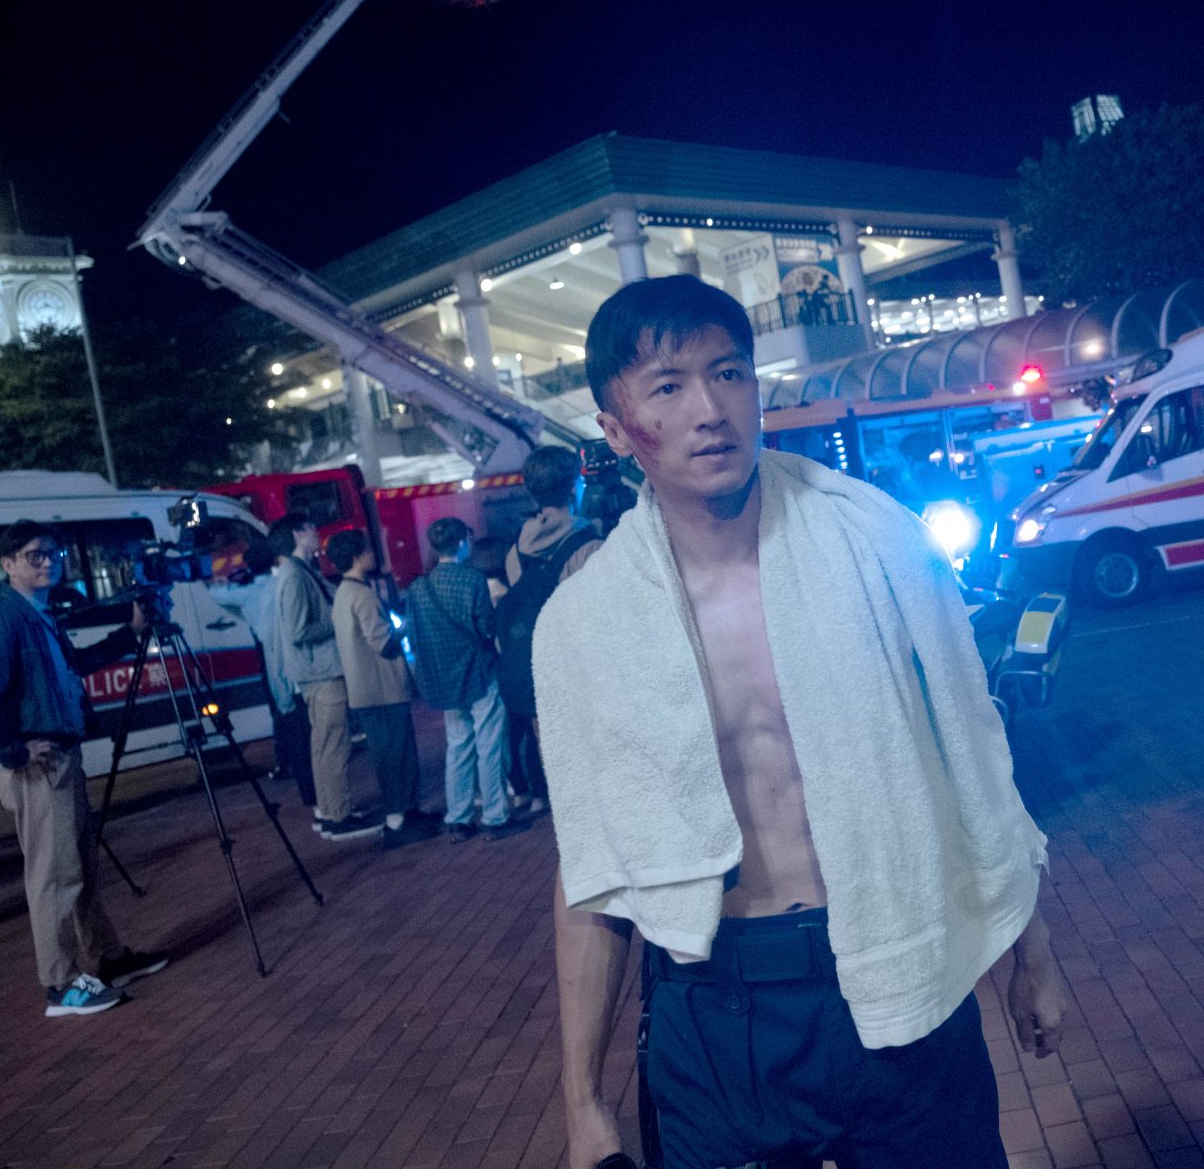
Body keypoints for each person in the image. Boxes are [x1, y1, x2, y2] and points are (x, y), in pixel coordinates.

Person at [541, 277, 1064, 1169]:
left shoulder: (876, 543)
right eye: (668, 385)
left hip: (899, 962)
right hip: (718, 1004)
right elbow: (592, 867)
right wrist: (582, 1100)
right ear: (616, 426)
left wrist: (1033, 950)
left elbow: (972, 754)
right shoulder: (591, 621)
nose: (710, 409)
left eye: (729, 373)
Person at [0, 522, 168, 1015]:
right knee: (53, 875)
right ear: (8, 565)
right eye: (35, 555)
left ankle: (107, 958)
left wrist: (129, 634)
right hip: (39, 767)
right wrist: (13, 751)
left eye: (53, 553)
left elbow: (75, 665)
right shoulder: (5, 619)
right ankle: (61, 984)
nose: (48, 562)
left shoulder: (35, 613)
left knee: (79, 867)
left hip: (60, 759)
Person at [497, 445, 600, 817]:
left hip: (539, 672)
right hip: (584, 678)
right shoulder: (590, 549)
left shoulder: (516, 553)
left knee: (560, 766)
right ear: (574, 487)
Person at [409, 517, 523, 843]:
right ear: (461, 543)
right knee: (489, 745)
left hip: (444, 679)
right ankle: (495, 816)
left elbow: (416, 637)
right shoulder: (472, 580)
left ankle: (458, 818)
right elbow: (486, 628)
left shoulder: (418, 587)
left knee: (457, 746)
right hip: (478, 672)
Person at [326, 529, 438, 852]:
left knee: (386, 756)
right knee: (399, 755)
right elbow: (382, 641)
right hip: (383, 689)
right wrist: (404, 627)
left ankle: (401, 815)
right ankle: (400, 819)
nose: (373, 554)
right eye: (368, 550)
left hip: (364, 690)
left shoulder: (343, 593)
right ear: (358, 556)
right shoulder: (363, 596)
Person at [271, 513, 379, 841]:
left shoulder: (298, 571)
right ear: (297, 534)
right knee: (333, 745)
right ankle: (338, 817)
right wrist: (337, 618)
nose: (316, 532)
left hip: (316, 673)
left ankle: (331, 812)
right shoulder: (294, 576)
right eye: (309, 527)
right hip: (321, 672)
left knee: (324, 746)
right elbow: (298, 631)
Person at [207, 539, 316, 809]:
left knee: (291, 729)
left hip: (274, 668)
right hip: (300, 665)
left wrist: (225, 585)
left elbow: (217, 595)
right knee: (311, 735)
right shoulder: (282, 583)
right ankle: (321, 796)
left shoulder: (246, 593)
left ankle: (309, 796)